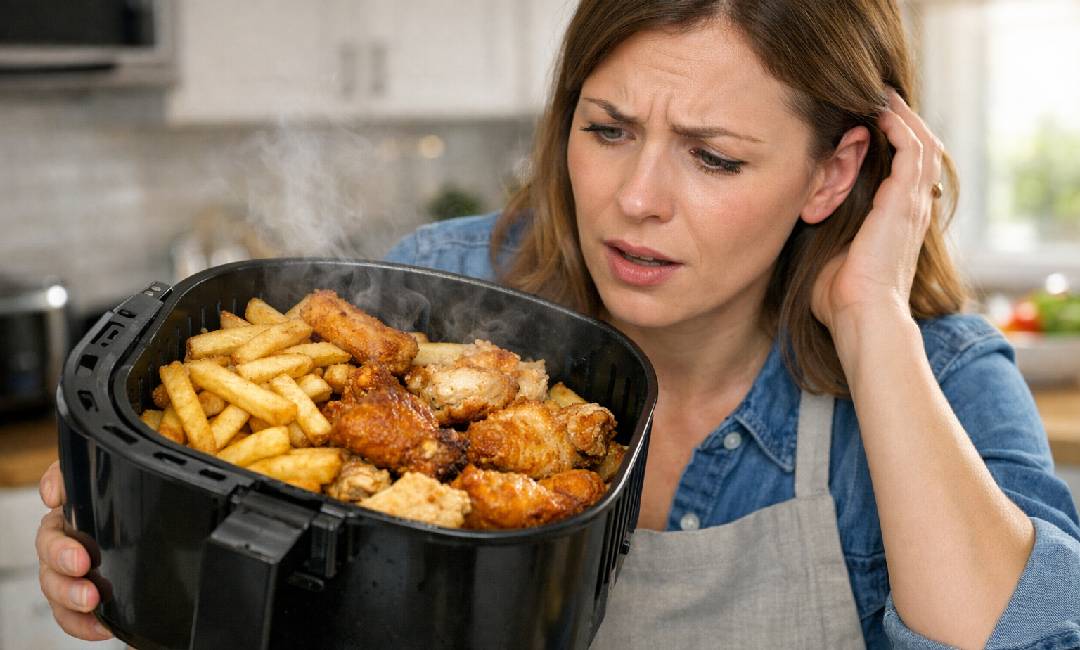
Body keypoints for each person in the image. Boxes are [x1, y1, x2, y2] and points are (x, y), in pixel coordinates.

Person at [36, 0, 1080, 647]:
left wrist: (870, 320)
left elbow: (1031, 638)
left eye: (714, 157)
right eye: (607, 129)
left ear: (834, 171)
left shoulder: (935, 371)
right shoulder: (428, 300)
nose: (635, 198)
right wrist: (156, 569)